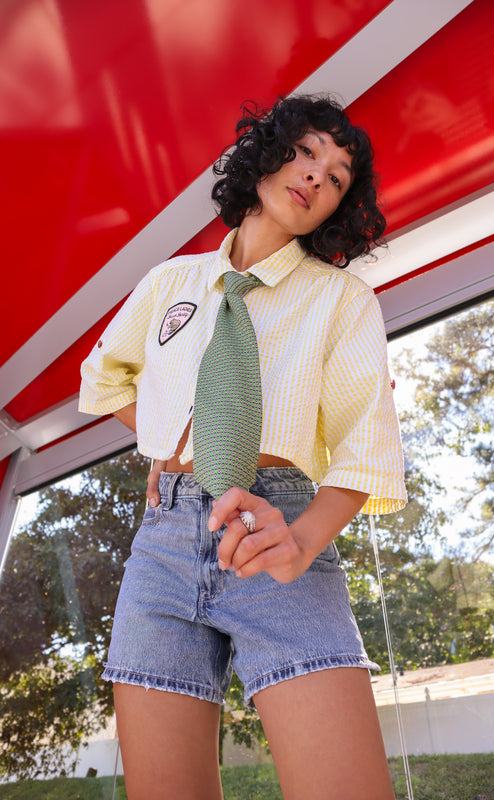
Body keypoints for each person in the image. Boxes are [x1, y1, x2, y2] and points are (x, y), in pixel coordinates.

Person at [79, 94, 407, 800]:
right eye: (307, 152)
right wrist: (168, 444)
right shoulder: (170, 282)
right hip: (162, 543)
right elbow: (106, 375)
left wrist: (303, 538)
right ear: (266, 155)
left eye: (339, 178)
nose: (318, 175)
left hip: (278, 525)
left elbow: (365, 441)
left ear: (336, 210)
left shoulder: (341, 300)